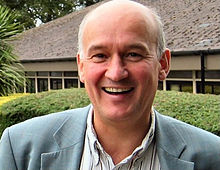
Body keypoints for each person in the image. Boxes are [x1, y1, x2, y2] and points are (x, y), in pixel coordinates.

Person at [0, 0, 220, 169]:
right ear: (81, 67)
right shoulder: (20, 149)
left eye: (133, 54)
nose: (116, 72)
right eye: (99, 55)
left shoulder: (212, 156)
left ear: (163, 64)